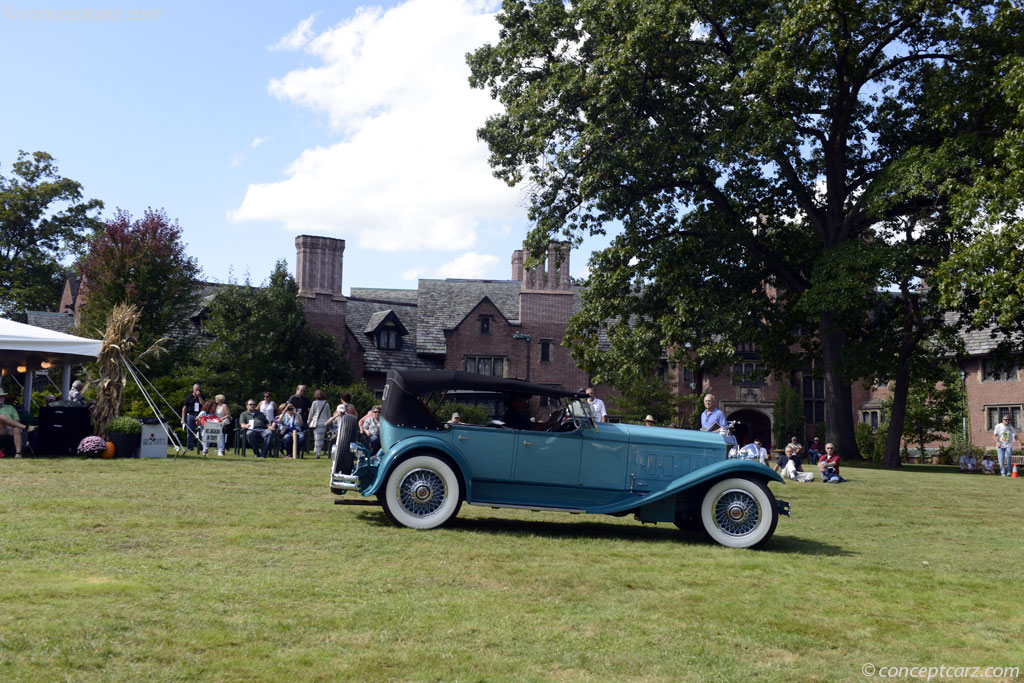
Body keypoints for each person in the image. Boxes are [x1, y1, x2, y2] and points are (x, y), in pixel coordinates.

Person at [0, 390, 33, 457]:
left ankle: (18, 453)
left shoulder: (10, 408)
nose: (1, 398)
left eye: (2, 396)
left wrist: (9, 423)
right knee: (2, 416)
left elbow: (17, 421)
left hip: (8, 429)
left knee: (16, 428)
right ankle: (26, 427)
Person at [180, 383, 205, 455]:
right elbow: (184, 408)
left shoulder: (202, 396)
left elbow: (204, 405)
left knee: (201, 431)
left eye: (198, 389)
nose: (197, 390)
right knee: (190, 432)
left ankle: (200, 447)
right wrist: (183, 419)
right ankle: (190, 447)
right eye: (196, 389)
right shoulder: (188, 397)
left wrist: (199, 396)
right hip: (191, 415)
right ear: (193, 389)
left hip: (199, 415)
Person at [307, 389, 332, 457]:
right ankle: (317, 450)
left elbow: (311, 413)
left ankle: (317, 452)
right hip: (324, 423)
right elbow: (328, 414)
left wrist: (308, 421)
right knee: (321, 438)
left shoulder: (314, 403)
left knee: (317, 438)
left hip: (316, 422)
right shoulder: (326, 403)